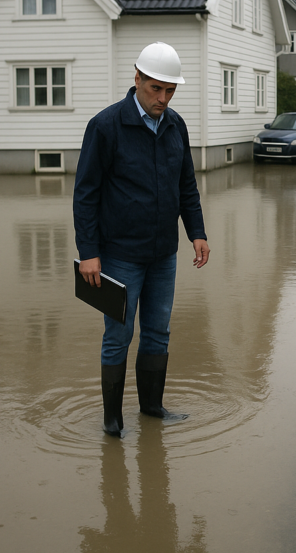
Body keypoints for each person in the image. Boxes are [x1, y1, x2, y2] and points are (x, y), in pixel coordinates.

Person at [73, 42, 210, 438]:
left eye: (170, 90)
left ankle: (151, 408)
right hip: (118, 256)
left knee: (158, 331)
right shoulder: (105, 126)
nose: (162, 99)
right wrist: (89, 253)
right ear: (137, 79)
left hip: (163, 253)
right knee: (118, 336)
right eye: (155, 88)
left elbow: (186, 185)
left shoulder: (175, 126)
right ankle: (112, 422)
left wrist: (197, 232)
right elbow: (85, 194)